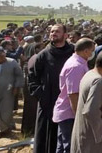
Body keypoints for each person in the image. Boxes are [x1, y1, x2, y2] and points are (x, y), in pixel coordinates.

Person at [28, 24, 74, 153]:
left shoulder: (74, 53)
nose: (53, 33)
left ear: (65, 35)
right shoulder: (43, 55)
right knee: (46, 138)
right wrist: (42, 96)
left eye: (57, 31)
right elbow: (32, 79)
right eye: (52, 31)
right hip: (48, 103)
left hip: (69, 103)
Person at [52, 38, 94, 153]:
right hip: (70, 113)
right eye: (92, 50)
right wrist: (78, 117)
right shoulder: (76, 66)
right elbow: (73, 94)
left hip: (67, 112)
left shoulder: (79, 62)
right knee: (70, 146)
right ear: (86, 51)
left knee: (62, 146)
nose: (92, 53)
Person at [71, 50, 102, 153]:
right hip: (93, 136)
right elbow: (91, 110)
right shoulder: (98, 81)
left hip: (86, 130)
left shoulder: (90, 74)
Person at [0, 48, 23, 138]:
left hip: (7, 90)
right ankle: (1, 127)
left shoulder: (12, 62)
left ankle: (0, 130)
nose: (0, 58)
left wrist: (16, 87)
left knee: (5, 110)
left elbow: (19, 75)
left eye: (2, 56)